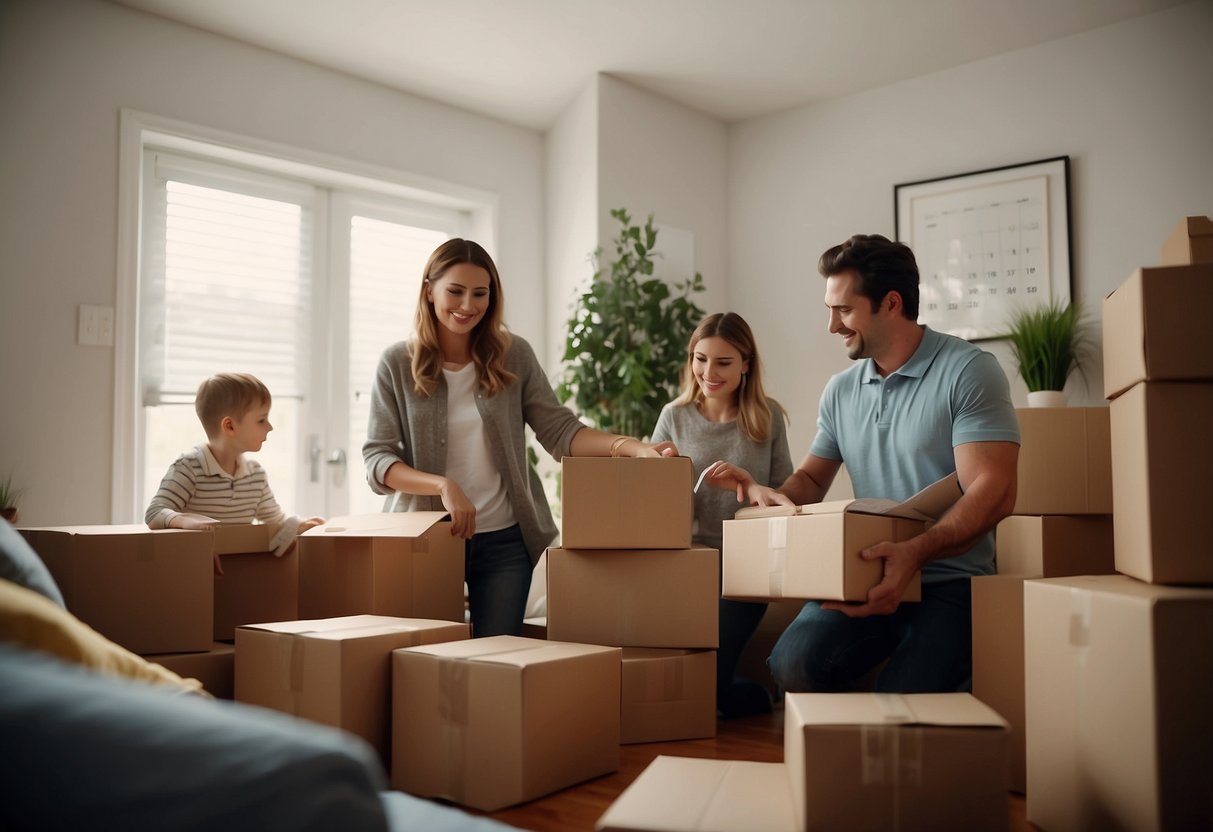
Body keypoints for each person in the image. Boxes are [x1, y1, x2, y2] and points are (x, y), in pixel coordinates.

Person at [705, 234, 1019, 693]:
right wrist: (767, 493)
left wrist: (915, 552)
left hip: (947, 582)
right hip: (862, 574)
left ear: (891, 303)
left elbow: (994, 489)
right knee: (791, 665)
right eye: (830, 309)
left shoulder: (968, 371)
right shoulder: (841, 390)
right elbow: (813, 477)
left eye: (844, 310)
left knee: (903, 703)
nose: (832, 325)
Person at [363, 238, 677, 638]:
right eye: (455, 291)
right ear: (429, 291)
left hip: (505, 540)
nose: (467, 305)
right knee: (429, 662)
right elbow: (378, 458)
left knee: (498, 661)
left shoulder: (513, 356)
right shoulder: (397, 363)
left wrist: (633, 448)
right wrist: (443, 486)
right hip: (427, 540)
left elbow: (560, 431)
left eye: (480, 293)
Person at [651, 312, 792, 717]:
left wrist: (750, 485)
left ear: (746, 364)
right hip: (686, 562)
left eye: (723, 362)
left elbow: (785, 494)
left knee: (704, 688)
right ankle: (746, 693)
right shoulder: (673, 417)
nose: (708, 373)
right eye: (700, 358)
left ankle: (752, 695)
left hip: (748, 568)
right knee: (688, 682)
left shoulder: (767, 417)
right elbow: (653, 499)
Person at [146, 373, 324, 568]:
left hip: (238, 574)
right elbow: (154, 513)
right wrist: (185, 522)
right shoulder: (189, 469)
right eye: (262, 419)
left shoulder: (255, 475)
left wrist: (300, 525)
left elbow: (276, 523)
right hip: (193, 573)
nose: (270, 427)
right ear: (230, 426)